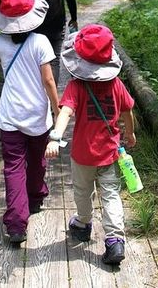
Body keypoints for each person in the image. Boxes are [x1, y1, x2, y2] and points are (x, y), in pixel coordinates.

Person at [45, 23, 136, 266]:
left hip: (83, 155)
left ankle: (83, 224)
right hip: (109, 153)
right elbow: (127, 111)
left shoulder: (77, 86)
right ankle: (115, 241)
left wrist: (56, 136)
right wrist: (131, 134)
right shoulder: (116, 84)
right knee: (111, 195)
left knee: (82, 192)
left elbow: (65, 113)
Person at [0, 0, 61, 245]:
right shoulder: (41, 42)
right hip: (37, 114)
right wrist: (57, 110)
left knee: (13, 168)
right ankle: (36, 196)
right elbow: (49, 80)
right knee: (37, 158)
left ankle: (17, 225)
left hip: (9, 114)